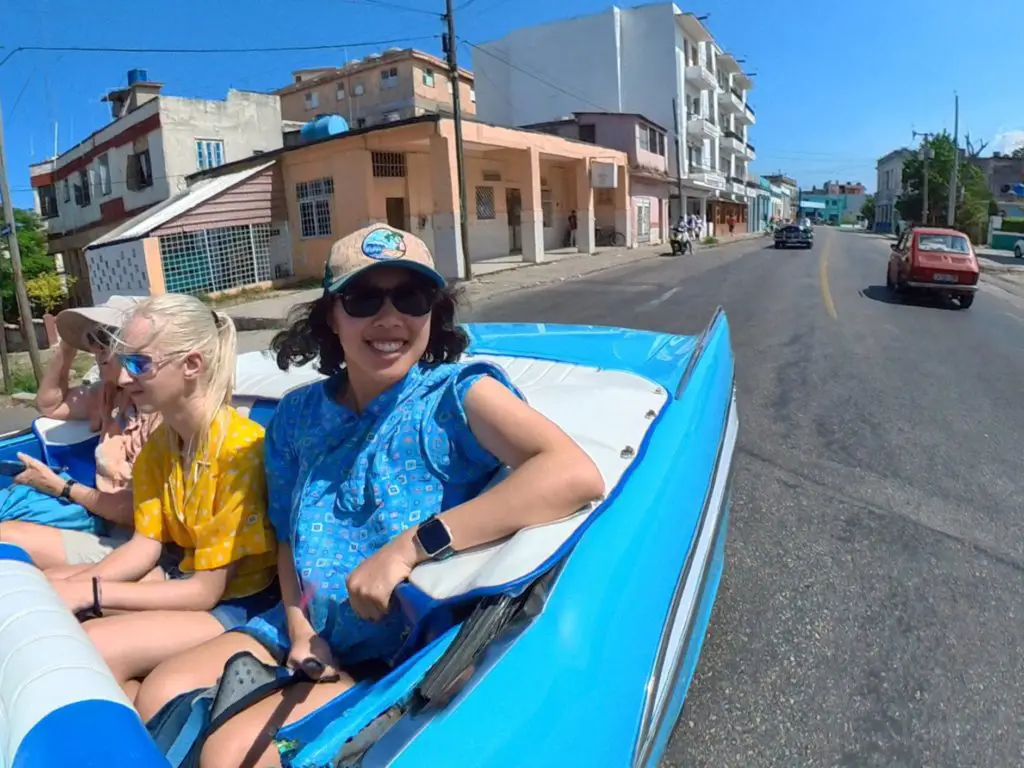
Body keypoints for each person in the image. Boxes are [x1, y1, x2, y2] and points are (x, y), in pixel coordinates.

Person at [133, 224, 606, 767]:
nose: (390, 318)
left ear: (434, 313)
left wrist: (408, 547)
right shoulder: (297, 416)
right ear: (332, 317)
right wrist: (299, 627)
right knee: (159, 692)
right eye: (363, 299)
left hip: (399, 657)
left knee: (232, 754)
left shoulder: (456, 397)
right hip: (307, 635)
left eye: (412, 298)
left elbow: (572, 473)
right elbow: (289, 537)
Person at [47, 294, 279, 699]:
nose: (120, 379)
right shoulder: (162, 445)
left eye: (139, 364)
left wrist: (90, 590)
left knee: (92, 646)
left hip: (241, 603)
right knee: (52, 594)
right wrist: (74, 585)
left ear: (192, 365)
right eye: (123, 363)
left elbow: (206, 592)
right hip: (182, 576)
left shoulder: (240, 451)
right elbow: (144, 545)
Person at [0, 296, 161, 569]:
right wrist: (68, 346)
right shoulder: (111, 394)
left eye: (107, 338)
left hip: (129, 538)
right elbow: (49, 402)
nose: (97, 348)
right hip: (91, 509)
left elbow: (137, 513)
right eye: (92, 339)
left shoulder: (162, 413)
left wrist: (62, 487)